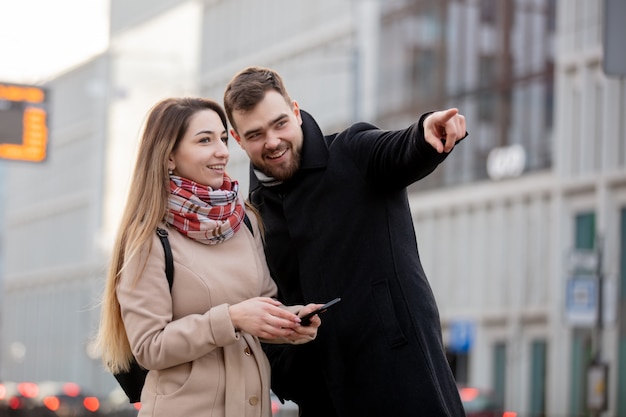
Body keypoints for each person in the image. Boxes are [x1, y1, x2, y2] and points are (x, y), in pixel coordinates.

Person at [223, 66, 468, 417]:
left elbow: (399, 150)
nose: (273, 141)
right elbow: (264, 306)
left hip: (402, 381)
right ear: (237, 138)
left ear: (295, 111)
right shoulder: (252, 216)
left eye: (280, 124)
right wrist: (289, 372)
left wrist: (426, 134)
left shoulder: (351, 152)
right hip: (323, 399)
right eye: (256, 134)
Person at [96, 97, 322, 417]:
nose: (222, 151)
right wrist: (231, 318)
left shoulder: (244, 220)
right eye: (205, 140)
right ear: (169, 156)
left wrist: (290, 321)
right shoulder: (149, 238)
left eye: (223, 138)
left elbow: (262, 303)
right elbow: (149, 347)